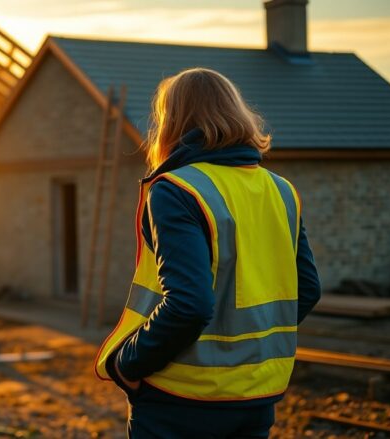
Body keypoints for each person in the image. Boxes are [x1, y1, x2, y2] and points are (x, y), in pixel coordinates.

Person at [95, 68, 321, 438]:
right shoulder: (281, 191)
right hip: (256, 398)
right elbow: (307, 289)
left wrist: (128, 365)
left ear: (172, 122)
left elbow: (190, 304)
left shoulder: (176, 190)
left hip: (180, 400)